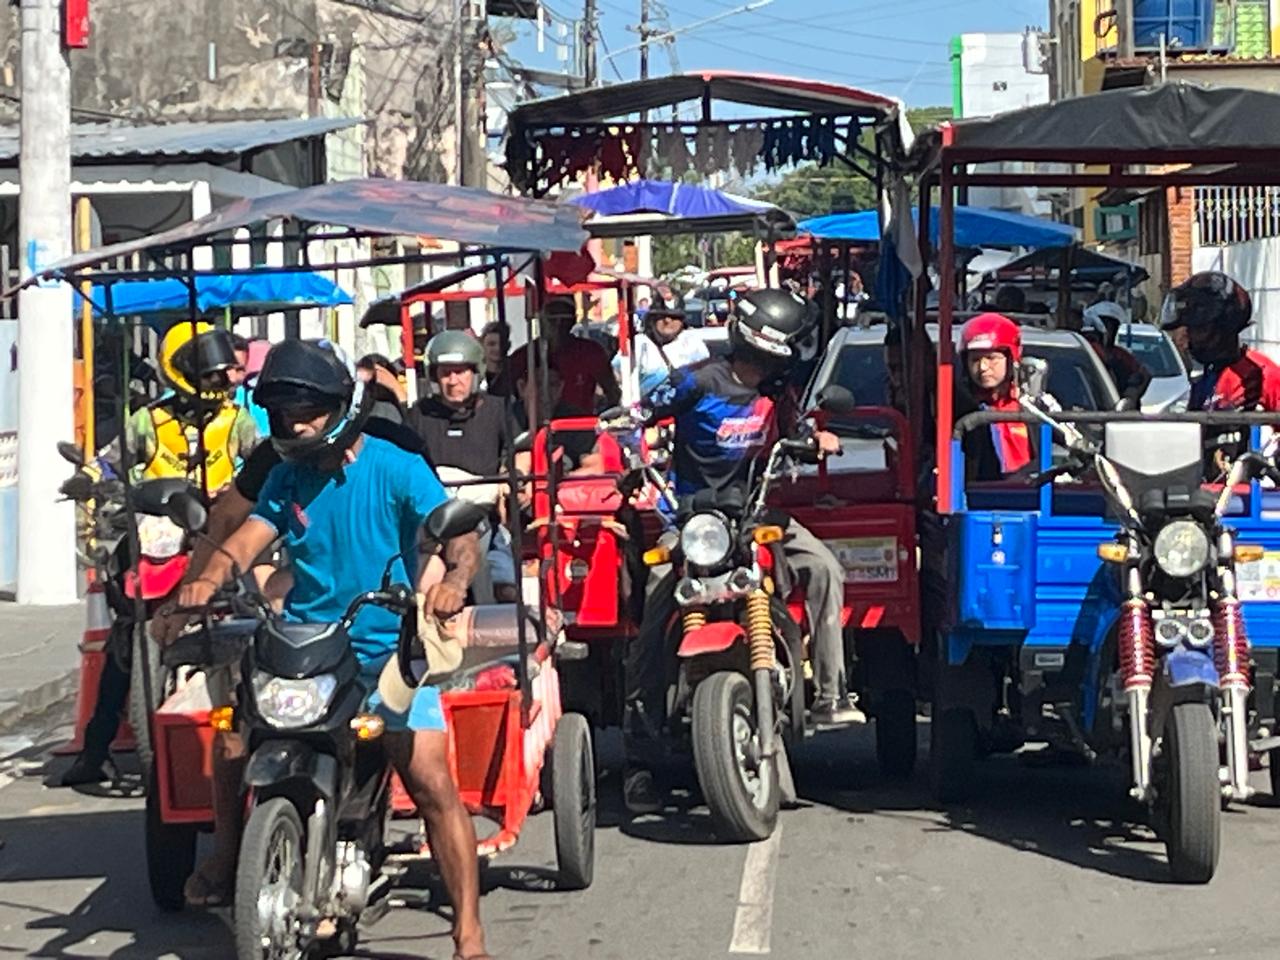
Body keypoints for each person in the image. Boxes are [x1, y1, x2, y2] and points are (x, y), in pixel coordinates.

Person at [172, 339, 490, 959]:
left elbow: (461, 535)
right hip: (306, 643)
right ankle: (229, 856)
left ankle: (469, 933)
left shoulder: (396, 466)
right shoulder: (287, 476)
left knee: (427, 778)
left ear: (341, 405)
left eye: (306, 411)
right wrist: (206, 578)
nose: (295, 424)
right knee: (233, 736)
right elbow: (248, 537)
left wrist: (453, 580)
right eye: (284, 414)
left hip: (385, 649)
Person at [622, 289, 855, 813]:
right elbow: (641, 411)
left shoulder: (780, 390)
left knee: (823, 568)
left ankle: (831, 695)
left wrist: (818, 439)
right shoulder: (700, 380)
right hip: (692, 524)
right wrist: (622, 429)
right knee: (657, 604)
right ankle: (642, 742)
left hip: (756, 515)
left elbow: (800, 430)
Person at [58, 322, 259, 787]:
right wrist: (90, 477)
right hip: (157, 533)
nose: (218, 381)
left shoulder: (238, 421)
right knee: (122, 641)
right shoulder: (147, 421)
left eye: (220, 372)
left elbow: (263, 459)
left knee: (258, 611)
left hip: (217, 534)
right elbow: (111, 461)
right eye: (208, 372)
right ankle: (95, 750)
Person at [406, 331, 516, 603]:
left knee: (506, 586)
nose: (453, 381)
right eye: (445, 373)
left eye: (460, 372)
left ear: (476, 373)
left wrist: (509, 480)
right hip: (429, 515)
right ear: (434, 377)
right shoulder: (418, 414)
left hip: (482, 513)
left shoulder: (499, 409)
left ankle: (487, 618)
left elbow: (520, 453)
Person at [1161, 271, 1280, 476]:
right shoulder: (1204, 380)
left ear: (1223, 327)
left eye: (1198, 329)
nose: (1190, 339)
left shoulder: (1260, 374)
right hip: (1206, 494)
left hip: (1253, 500)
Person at [955, 313, 1037, 483]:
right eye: (975, 360)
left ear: (1011, 358)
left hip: (1032, 500)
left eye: (992, 358)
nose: (983, 367)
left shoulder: (1033, 406)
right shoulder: (959, 411)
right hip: (976, 501)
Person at [509, 296, 621, 412]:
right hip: (534, 427)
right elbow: (504, 397)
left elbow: (613, 393)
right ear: (541, 318)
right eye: (552, 318)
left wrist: (601, 421)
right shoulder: (524, 356)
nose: (558, 325)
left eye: (565, 318)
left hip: (579, 426)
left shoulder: (590, 352)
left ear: (574, 320)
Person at [614, 291, 710, 399]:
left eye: (674, 317)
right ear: (652, 319)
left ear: (682, 321)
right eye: (662, 316)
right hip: (646, 413)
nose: (668, 320)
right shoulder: (637, 345)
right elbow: (616, 378)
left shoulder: (694, 343)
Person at [1081, 301, 1152, 408]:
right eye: (1108, 325)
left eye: (1114, 326)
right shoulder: (1088, 347)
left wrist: (1132, 392)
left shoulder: (1119, 354)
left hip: (1115, 408)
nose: (1111, 330)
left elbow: (1143, 372)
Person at [479, 322, 512, 397]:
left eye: (501, 344)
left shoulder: (514, 372)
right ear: (482, 345)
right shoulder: (475, 373)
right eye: (492, 344)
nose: (497, 348)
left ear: (508, 345)